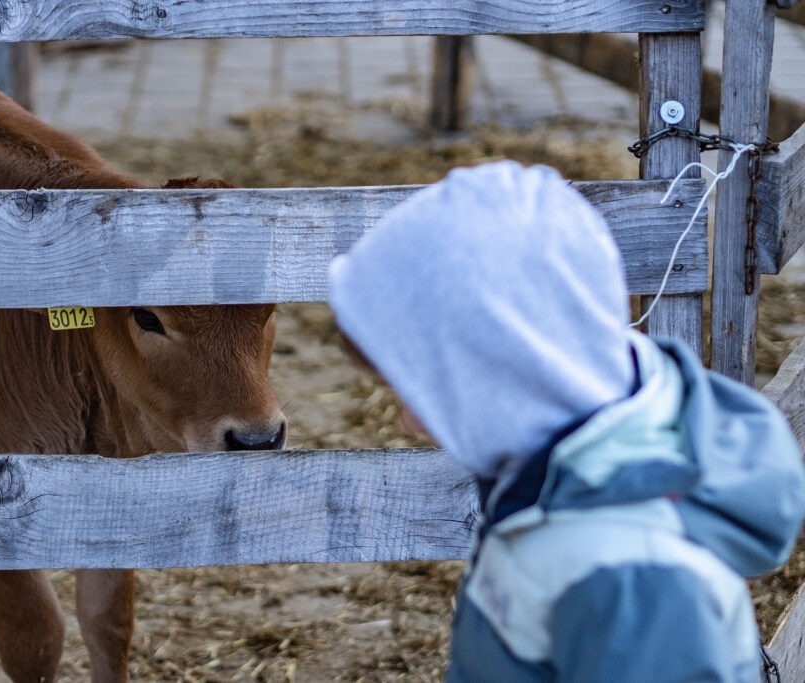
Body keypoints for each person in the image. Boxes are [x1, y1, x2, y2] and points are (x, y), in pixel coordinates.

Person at [327, 161, 805, 682]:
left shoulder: (635, 578)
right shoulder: (556, 479)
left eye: (424, 388)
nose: (411, 422)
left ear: (505, 364)